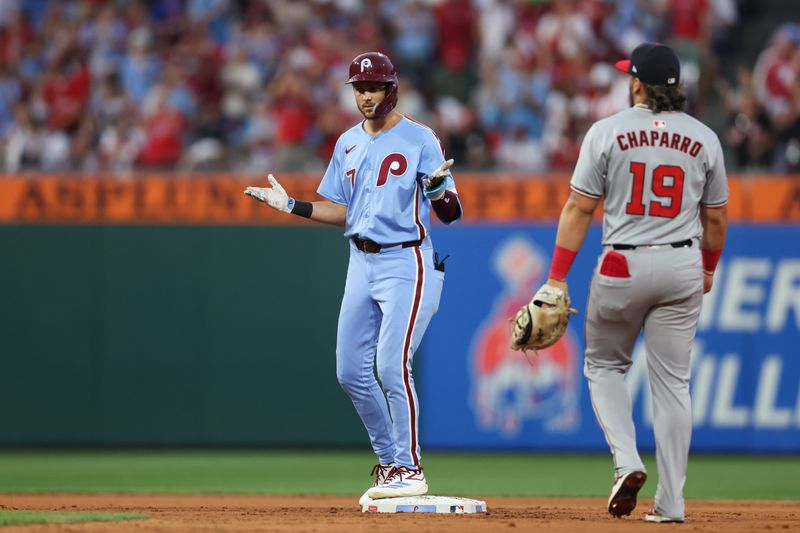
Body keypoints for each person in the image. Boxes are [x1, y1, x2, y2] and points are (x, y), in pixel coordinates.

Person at [244, 51, 463, 504]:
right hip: (360, 260)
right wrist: (292, 206)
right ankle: (390, 465)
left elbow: (451, 213)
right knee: (349, 371)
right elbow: (345, 211)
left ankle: (409, 466)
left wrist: (439, 188)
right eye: (360, 88)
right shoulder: (347, 142)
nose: (366, 95)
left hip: (407, 260)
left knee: (390, 364)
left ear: (391, 88)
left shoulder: (421, 138)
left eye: (374, 86)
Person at [542, 43, 728, 523]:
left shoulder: (606, 132)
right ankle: (671, 504)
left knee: (604, 367)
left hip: (621, 265)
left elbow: (580, 208)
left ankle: (627, 462)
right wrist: (708, 268)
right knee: (672, 386)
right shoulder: (705, 138)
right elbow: (717, 219)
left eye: (631, 76)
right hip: (681, 264)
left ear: (638, 83)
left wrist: (557, 276)